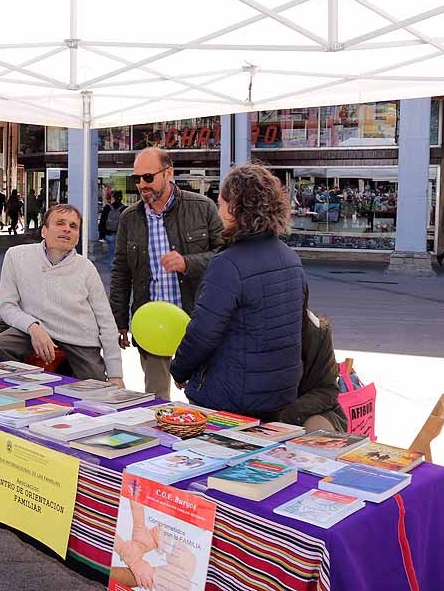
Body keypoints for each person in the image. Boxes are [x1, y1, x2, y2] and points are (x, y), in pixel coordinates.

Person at [170, 164, 307, 418]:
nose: (218, 211)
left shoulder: (228, 264)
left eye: (221, 204)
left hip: (231, 397)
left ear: (234, 208)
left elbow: (203, 333)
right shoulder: (290, 257)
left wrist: (180, 369)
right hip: (280, 393)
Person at [109, 148, 223, 399]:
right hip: (151, 324)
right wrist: (118, 322)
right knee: (155, 400)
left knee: (205, 396)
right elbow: (121, 271)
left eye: (148, 177)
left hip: (197, 321)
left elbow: (226, 256)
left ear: (168, 173)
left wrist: (188, 263)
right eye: (136, 179)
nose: (141, 184)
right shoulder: (130, 218)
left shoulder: (202, 207)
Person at [0, 204, 123, 384]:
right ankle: (27, 391)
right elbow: (7, 306)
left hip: (79, 338)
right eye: (60, 223)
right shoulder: (16, 256)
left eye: (73, 226)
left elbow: (105, 320)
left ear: (77, 238)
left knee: (97, 390)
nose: (67, 229)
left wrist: (116, 374)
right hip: (34, 331)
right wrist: (32, 327)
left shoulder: (86, 269)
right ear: (44, 230)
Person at [277, 307, 349, 432]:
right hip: (250, 411)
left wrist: (286, 415)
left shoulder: (317, 332)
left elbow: (327, 391)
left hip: (306, 410)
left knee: (319, 434)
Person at [98, 190, 126, 268]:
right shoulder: (124, 209)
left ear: (113, 197)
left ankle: (112, 267)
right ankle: (117, 268)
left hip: (109, 234)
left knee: (111, 252)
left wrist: (101, 235)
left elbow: (102, 222)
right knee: (119, 253)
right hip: (120, 235)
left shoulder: (107, 208)